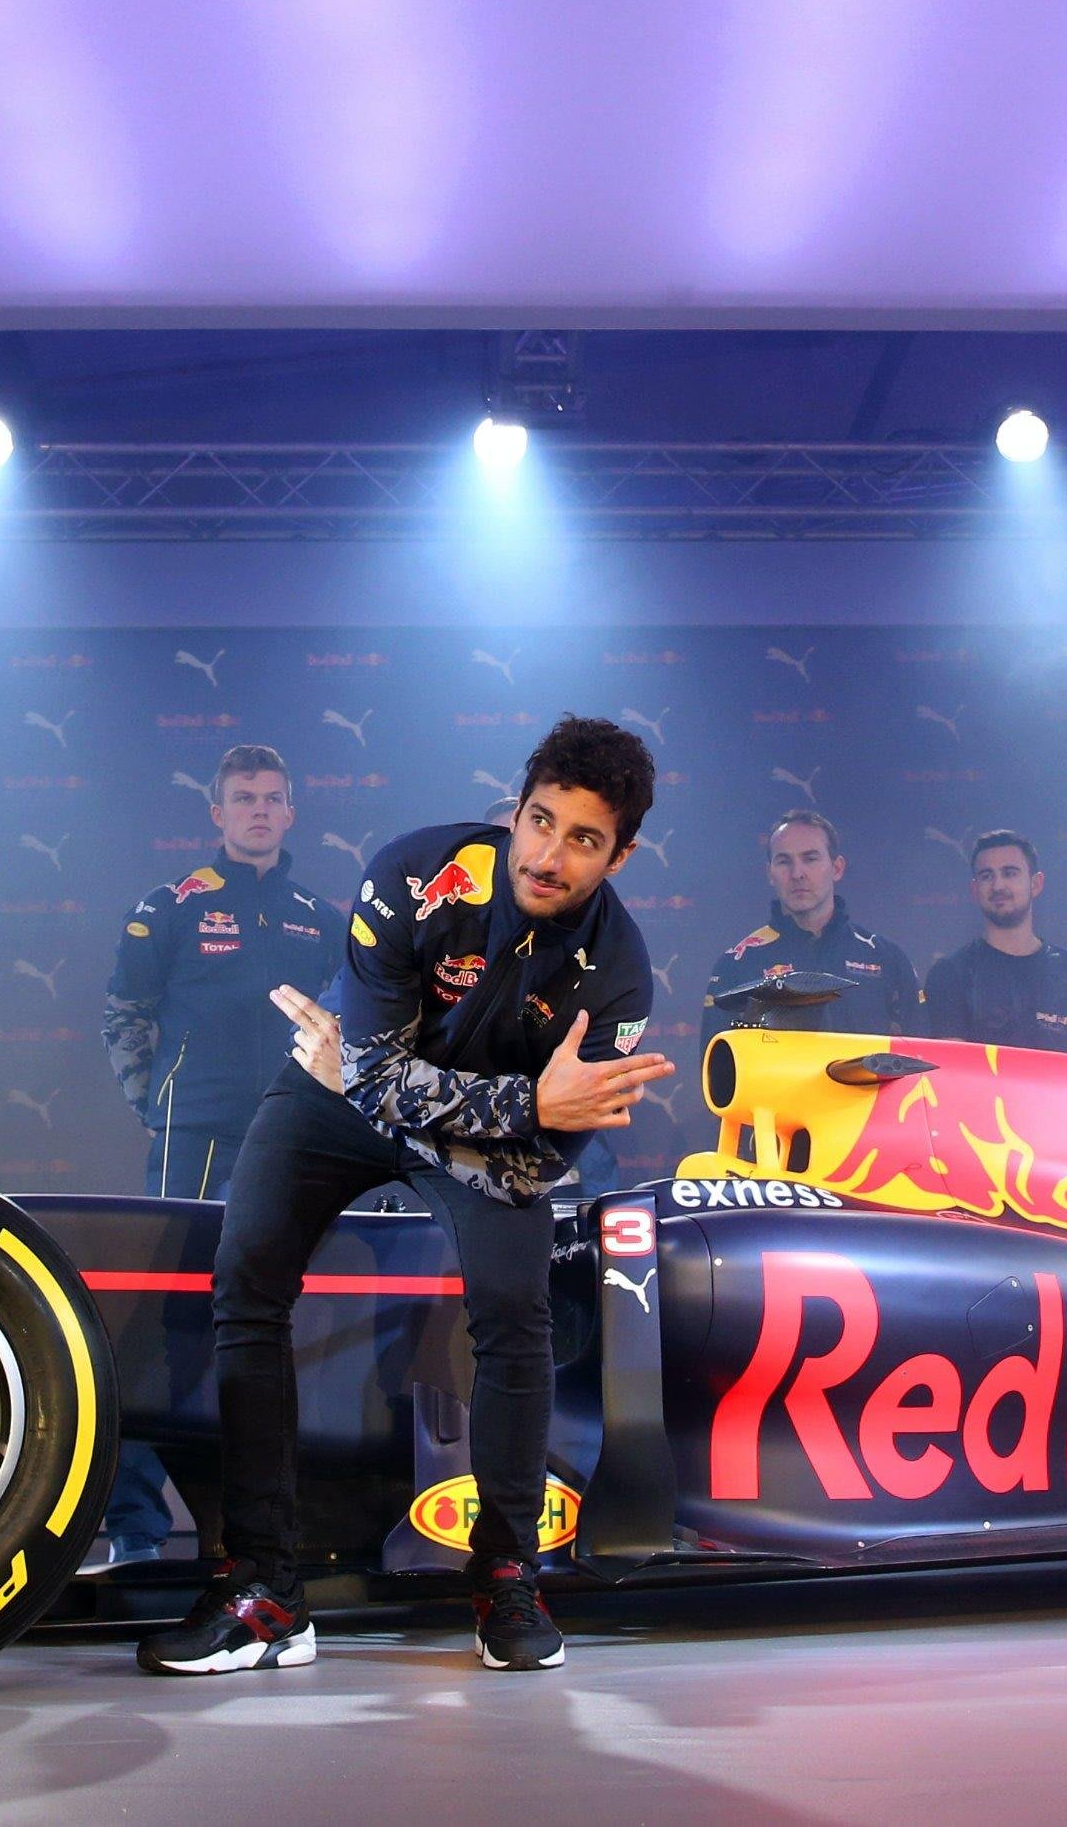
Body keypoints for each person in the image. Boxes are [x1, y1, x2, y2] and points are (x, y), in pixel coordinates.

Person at [139, 717, 671, 1678]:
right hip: (334, 1102)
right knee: (246, 1277)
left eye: (583, 840)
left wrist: (456, 1102)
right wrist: (524, 1101)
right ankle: (264, 1589)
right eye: (540, 821)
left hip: (431, 1118)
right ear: (516, 809)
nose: (547, 857)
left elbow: (529, 1167)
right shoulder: (414, 874)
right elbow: (377, 1084)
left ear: (620, 855)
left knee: (515, 1309)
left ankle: (506, 1573)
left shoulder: (621, 979)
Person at [96, 743, 334, 1568]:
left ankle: (274, 1529)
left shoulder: (320, 916)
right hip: (193, 1137)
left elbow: (345, 1029)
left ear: (290, 812)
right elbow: (124, 1014)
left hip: (293, 1135)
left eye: (271, 798)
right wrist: (157, 1108)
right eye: (244, 798)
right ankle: (135, 1528)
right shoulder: (170, 906)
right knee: (165, 1323)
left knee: (282, 1316)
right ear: (218, 813)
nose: (259, 810)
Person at [702, 810, 920, 1038]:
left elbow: (922, 1053)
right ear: (769, 873)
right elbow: (716, 1057)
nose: (797, 873)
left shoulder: (887, 959)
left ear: (837, 868)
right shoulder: (737, 963)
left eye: (810, 859)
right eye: (784, 861)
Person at [921, 829, 1067, 1062]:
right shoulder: (949, 974)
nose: (998, 886)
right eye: (986, 876)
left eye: (1010, 873)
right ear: (974, 890)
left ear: (1036, 883)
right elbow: (952, 1070)